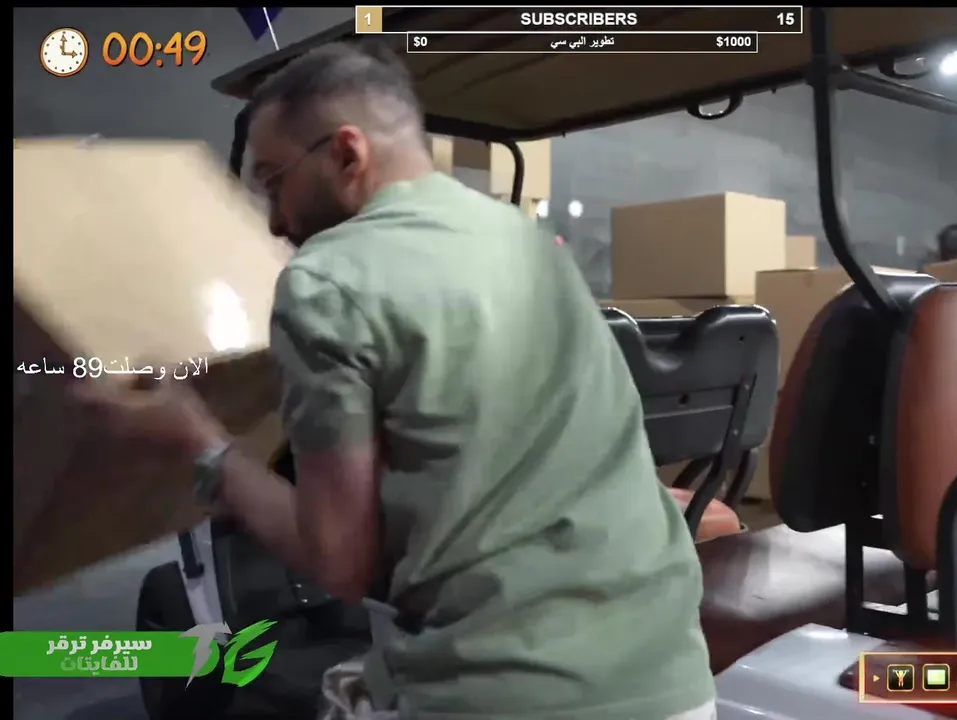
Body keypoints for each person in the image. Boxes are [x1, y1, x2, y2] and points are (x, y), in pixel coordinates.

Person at [71, 42, 715, 720]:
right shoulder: (524, 239)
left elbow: (339, 563)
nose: (276, 221)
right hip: (669, 674)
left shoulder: (328, 279)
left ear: (346, 154)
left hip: (510, 695)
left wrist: (200, 444)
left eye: (273, 181)